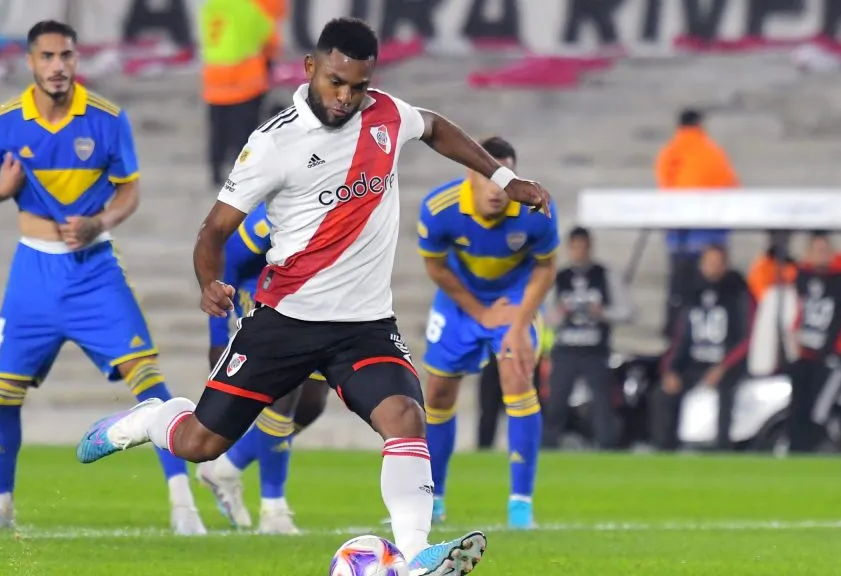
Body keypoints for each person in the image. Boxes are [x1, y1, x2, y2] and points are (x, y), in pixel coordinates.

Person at [76, 17, 550, 575]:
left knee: (405, 416)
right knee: (201, 444)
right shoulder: (274, 144)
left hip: (365, 325)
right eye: (335, 82)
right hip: (285, 321)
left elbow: (436, 126)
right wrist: (209, 283)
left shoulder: (386, 116)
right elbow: (213, 233)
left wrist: (500, 177)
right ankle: (148, 420)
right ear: (310, 69)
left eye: (358, 86)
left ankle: (416, 556)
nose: (346, 97)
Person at [0, 20, 204, 534]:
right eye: (47, 56)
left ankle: (184, 505)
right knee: (4, 392)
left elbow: (129, 192)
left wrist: (102, 221)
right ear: (31, 62)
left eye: (66, 56)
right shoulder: (4, 122)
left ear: (76, 59)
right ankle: (0, 506)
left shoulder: (107, 119)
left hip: (94, 269)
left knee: (148, 379)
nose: (57, 66)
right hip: (33, 270)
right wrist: (1, 191)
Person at [417, 136, 557, 530]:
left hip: (514, 300)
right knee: (439, 393)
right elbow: (435, 266)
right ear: (471, 175)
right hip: (462, 301)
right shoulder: (439, 208)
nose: (498, 190)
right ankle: (435, 499)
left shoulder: (535, 206)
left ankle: (520, 506)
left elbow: (546, 268)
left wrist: (517, 325)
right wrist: (478, 310)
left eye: (505, 179)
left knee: (516, 376)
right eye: (489, 177)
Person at [198, 201, 329, 534]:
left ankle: (227, 466)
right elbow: (226, 264)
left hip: (317, 301)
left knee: (312, 403)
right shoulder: (270, 219)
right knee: (285, 394)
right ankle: (274, 510)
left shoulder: (350, 203)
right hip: (264, 296)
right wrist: (217, 337)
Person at [654, 245, 754, 451]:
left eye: (718, 263)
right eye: (709, 263)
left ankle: (722, 449)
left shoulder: (737, 292)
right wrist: (670, 370)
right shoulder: (691, 293)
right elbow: (678, 338)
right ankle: (665, 448)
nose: (713, 268)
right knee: (662, 394)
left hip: (727, 364)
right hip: (695, 362)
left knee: (726, 394)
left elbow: (746, 337)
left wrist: (722, 366)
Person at [543, 226, 633, 451]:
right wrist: (559, 314)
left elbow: (628, 311)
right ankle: (549, 447)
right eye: (575, 248)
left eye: (583, 247)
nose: (579, 252)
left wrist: (603, 313)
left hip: (595, 350)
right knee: (556, 403)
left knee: (603, 403)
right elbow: (543, 316)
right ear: (569, 249)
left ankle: (606, 447)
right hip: (566, 350)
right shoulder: (559, 277)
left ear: (590, 247)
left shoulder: (604, 274)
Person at [655, 108, 738, 338]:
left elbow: (665, 187)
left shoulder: (671, 152)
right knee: (710, 293)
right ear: (700, 124)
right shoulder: (714, 152)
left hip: (681, 240)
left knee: (679, 294)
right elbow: (731, 187)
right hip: (712, 242)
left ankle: (674, 334)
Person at [786, 232, 841, 453]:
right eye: (817, 251)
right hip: (808, 355)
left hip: (836, 357)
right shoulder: (802, 277)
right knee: (799, 407)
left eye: (825, 251)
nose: (821, 256)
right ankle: (796, 452)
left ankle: (810, 452)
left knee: (819, 410)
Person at [200, 0, 277, 188]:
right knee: (244, 132)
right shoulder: (248, 8)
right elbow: (268, 39)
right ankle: (241, 173)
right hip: (244, 80)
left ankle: (216, 170)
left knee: (218, 130)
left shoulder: (211, 7)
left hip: (214, 80)